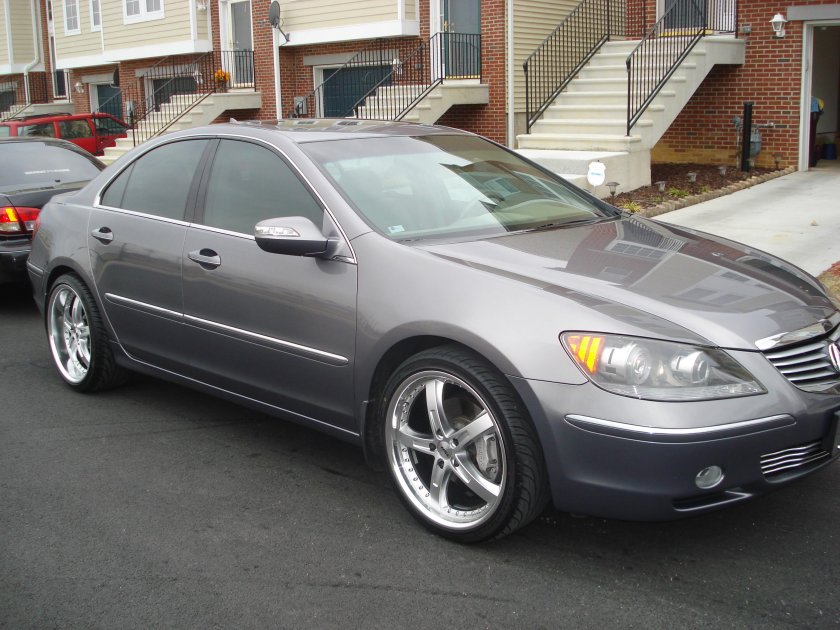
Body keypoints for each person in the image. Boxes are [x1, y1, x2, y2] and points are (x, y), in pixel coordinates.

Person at [810, 95, 824, 167]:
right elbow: (821, 111)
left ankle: (810, 160)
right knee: (811, 137)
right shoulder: (817, 100)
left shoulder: (814, 100)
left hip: (812, 117)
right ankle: (811, 160)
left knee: (810, 138)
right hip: (814, 117)